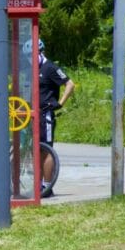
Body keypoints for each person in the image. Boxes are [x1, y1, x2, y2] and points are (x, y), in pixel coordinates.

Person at [33, 38, 75, 197]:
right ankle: (38, 185)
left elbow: (70, 84)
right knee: (35, 150)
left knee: (46, 149)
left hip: (46, 114)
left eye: (33, 54)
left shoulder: (49, 67)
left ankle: (47, 186)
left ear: (40, 51)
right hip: (32, 114)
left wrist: (60, 103)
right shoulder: (30, 68)